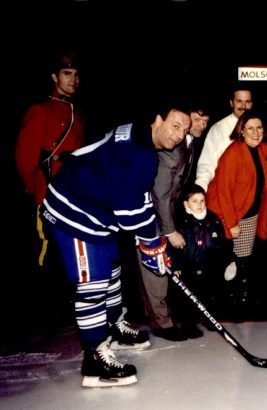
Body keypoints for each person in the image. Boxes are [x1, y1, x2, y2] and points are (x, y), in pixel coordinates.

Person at [40, 101, 191, 387]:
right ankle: (95, 359)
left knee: (112, 269)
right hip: (74, 213)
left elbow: (136, 198)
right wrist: (152, 243)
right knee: (92, 283)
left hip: (97, 213)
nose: (178, 134)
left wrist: (151, 241)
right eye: (175, 125)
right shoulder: (139, 155)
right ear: (158, 119)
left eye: (184, 130)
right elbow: (130, 212)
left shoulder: (139, 136)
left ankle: (112, 326)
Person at [14, 50, 86, 320]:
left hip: (73, 192)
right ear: (55, 77)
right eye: (67, 74)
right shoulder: (40, 110)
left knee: (71, 248)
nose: (73, 80)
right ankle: (44, 311)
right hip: (49, 190)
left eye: (77, 75)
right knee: (47, 249)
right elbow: (25, 156)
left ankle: (68, 304)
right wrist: (35, 191)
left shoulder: (77, 113)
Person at [136, 102, 210, 342]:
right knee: (156, 270)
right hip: (152, 214)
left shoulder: (187, 144)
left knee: (152, 269)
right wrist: (169, 231)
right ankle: (163, 325)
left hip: (162, 210)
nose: (200, 125)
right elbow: (161, 193)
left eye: (204, 121)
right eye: (195, 120)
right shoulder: (171, 149)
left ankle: (155, 316)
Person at [205, 110, 267, 320]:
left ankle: (241, 300)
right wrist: (231, 223)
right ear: (241, 131)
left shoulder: (264, 149)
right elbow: (222, 191)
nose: (255, 132)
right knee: (232, 262)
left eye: (259, 127)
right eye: (250, 128)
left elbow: (265, 180)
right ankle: (232, 306)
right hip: (231, 214)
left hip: (250, 213)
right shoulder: (233, 153)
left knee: (243, 260)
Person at [195, 85, 267, 215]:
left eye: (247, 101)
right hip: (225, 202)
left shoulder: (263, 131)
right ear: (231, 103)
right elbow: (206, 166)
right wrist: (198, 195)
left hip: (254, 202)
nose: (243, 106)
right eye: (239, 101)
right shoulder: (219, 129)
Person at [169, 184, 236, 330]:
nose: (199, 204)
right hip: (189, 266)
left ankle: (209, 319)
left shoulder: (213, 219)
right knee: (188, 297)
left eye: (202, 200)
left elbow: (222, 243)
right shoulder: (181, 221)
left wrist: (228, 259)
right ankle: (189, 323)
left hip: (209, 264)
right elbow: (175, 247)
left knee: (210, 294)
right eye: (195, 201)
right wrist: (176, 265)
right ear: (186, 203)